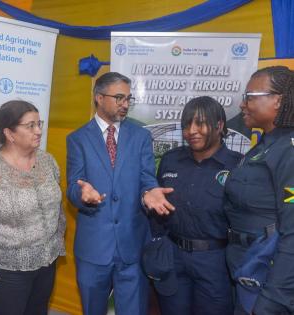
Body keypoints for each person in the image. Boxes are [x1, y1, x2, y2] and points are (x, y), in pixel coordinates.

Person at [66, 71, 174, 315]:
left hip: (132, 245)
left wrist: (149, 192)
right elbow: (73, 186)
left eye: (128, 99)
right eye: (119, 98)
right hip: (94, 248)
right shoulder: (78, 139)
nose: (125, 104)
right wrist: (82, 195)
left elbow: (147, 177)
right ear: (99, 97)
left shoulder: (141, 136)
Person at [0, 100, 66, 315]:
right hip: (6, 274)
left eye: (39, 124)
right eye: (30, 126)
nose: (38, 131)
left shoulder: (47, 161)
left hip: (46, 265)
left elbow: (57, 211)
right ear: (10, 133)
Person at [150, 96, 242, 315]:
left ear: (219, 125)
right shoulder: (170, 160)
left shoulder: (238, 165)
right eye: (186, 125)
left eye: (199, 123)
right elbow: (157, 204)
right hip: (173, 258)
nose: (192, 130)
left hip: (215, 262)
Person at [225, 66, 294, 314]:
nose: (243, 104)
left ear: (278, 101)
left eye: (250, 97)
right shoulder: (264, 146)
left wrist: (272, 301)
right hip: (247, 269)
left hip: (269, 279)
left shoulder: (289, 150)